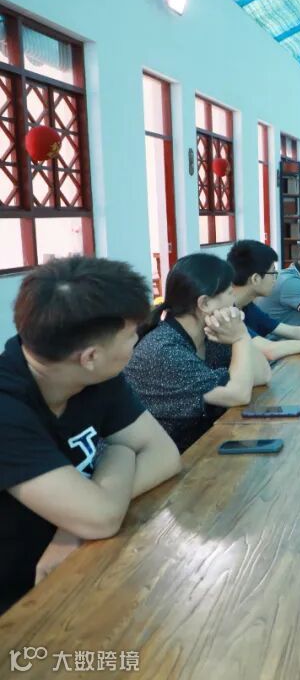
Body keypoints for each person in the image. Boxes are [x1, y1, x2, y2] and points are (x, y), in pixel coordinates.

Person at [0, 257, 181, 613]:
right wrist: (121, 452)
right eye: (132, 334)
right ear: (90, 356)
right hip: (19, 604)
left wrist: (72, 529)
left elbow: (164, 454)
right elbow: (100, 517)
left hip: (82, 569)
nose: (137, 341)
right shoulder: (7, 410)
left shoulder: (94, 377)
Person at [125, 254, 272, 453]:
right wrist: (240, 339)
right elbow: (238, 394)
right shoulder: (164, 351)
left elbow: (263, 375)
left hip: (205, 444)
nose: (234, 300)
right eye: (230, 293)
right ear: (204, 304)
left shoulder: (211, 334)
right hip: (168, 459)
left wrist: (242, 335)